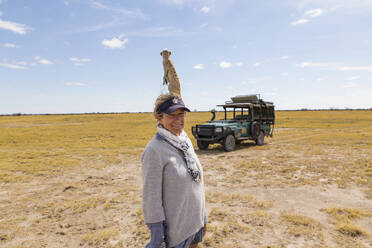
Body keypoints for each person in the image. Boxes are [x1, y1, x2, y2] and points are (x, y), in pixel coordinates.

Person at [141, 93, 207, 248]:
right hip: (176, 233)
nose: (178, 120)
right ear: (159, 117)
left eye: (182, 114)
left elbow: (197, 182)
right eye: (172, 115)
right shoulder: (154, 150)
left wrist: (202, 217)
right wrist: (157, 235)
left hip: (194, 224)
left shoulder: (185, 141)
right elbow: (151, 199)